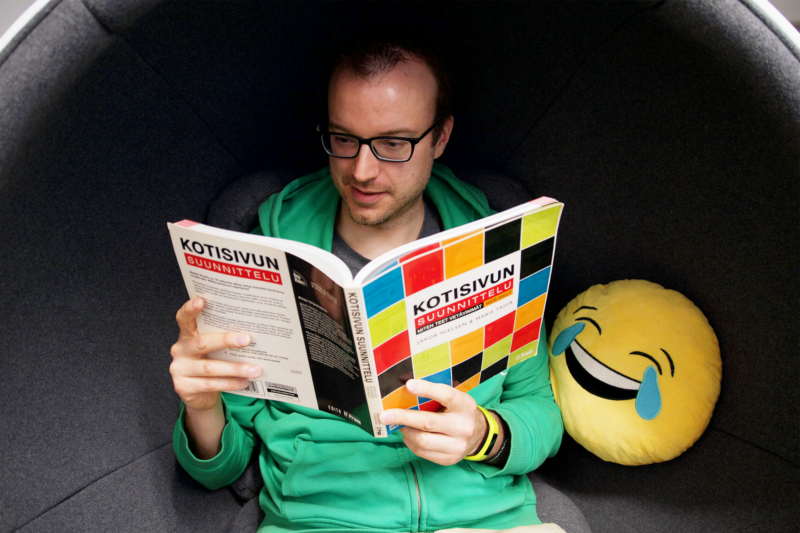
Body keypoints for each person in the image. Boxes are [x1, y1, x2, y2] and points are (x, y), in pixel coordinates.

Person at [170, 40, 564, 533]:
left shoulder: (499, 247)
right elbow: (220, 469)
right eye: (344, 138)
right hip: (320, 523)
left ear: (441, 137)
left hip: (482, 521)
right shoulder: (266, 253)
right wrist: (201, 407)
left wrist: (484, 436)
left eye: (393, 144)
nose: (361, 171)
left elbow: (542, 416)